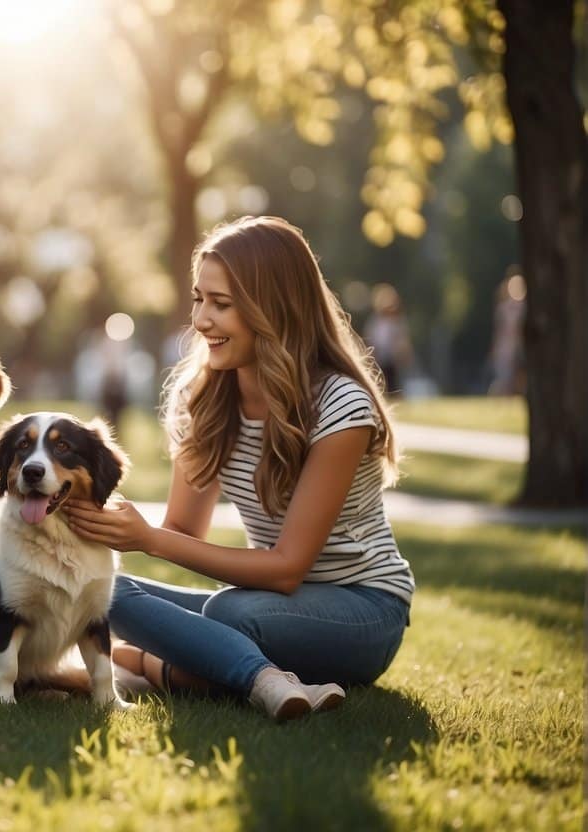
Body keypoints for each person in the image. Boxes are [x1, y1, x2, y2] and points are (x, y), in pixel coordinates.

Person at [63, 216, 413, 722]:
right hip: (268, 606)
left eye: (221, 304)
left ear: (273, 310)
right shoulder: (202, 398)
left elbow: (289, 568)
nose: (202, 320)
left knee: (229, 613)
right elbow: (183, 531)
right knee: (96, 584)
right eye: (198, 299)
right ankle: (245, 675)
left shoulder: (340, 404)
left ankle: (141, 664)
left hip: (363, 610)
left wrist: (149, 540)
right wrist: (107, 523)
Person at [362, 283, 412, 397]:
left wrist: (403, 353)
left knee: (394, 383)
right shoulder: (375, 321)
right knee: (380, 382)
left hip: (393, 358)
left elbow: (402, 340)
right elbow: (371, 339)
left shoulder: (397, 322)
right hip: (379, 357)